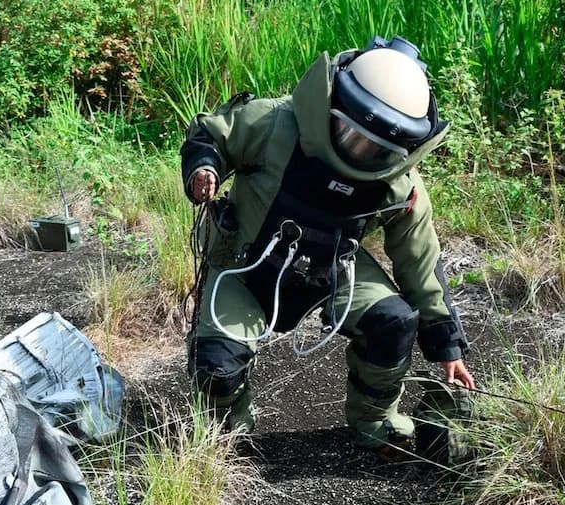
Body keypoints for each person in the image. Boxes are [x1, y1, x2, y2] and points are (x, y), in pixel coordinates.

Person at [180, 35, 475, 455]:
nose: (363, 152)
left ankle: (376, 419)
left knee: (393, 322)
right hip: (243, 264)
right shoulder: (275, 124)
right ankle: (227, 428)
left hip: (335, 270)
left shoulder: (400, 186)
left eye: (379, 150)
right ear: (333, 104)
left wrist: (448, 346)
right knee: (217, 367)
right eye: (353, 136)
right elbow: (211, 135)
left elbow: (421, 264)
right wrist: (203, 168)